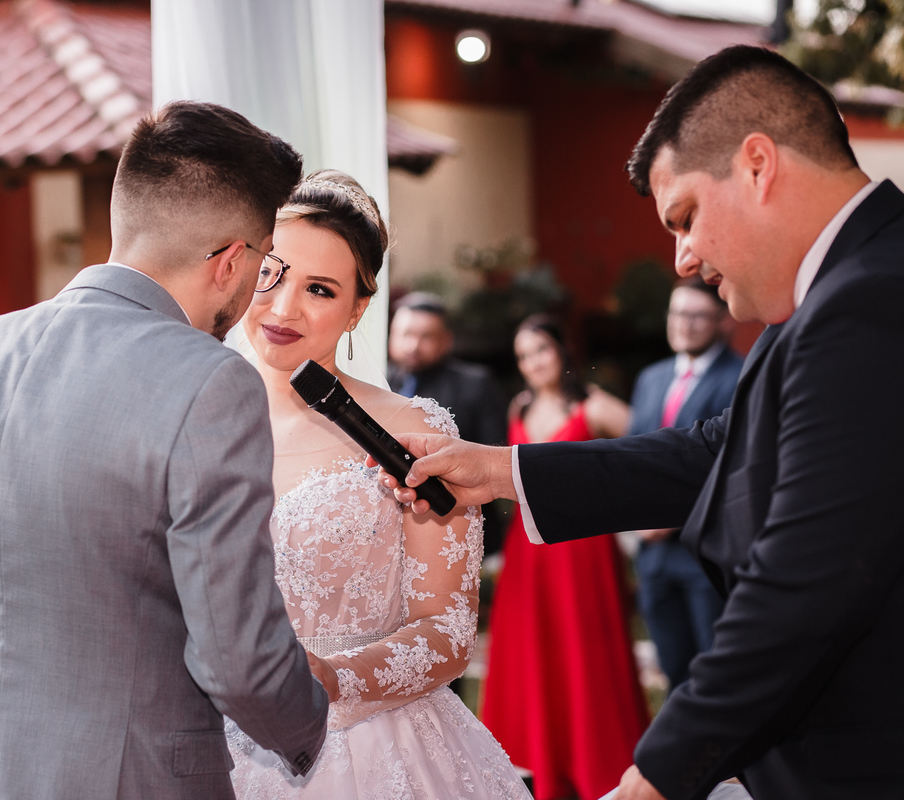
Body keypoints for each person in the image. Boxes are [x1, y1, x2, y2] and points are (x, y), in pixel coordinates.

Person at [376, 45, 904, 800]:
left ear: (758, 165)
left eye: (685, 218)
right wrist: (498, 469)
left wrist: (655, 778)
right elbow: (717, 452)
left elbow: (808, 582)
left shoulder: (871, 301)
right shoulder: (832, 299)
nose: (683, 259)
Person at [0, 101, 329, 800]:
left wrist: (14, 718)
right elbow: (237, 658)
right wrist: (313, 732)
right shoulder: (210, 380)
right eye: (266, 264)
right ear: (233, 260)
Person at [224, 170, 531, 799]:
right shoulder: (194, 418)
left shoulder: (411, 431)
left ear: (358, 309)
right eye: (271, 274)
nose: (284, 308)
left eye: (319, 289)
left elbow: (447, 633)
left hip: (370, 750)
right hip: (213, 748)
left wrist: (333, 678)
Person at [481, 313, 648, 800]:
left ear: (561, 351)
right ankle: (542, 764)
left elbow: (651, 452)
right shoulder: (519, 406)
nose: (533, 363)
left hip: (582, 550)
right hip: (529, 551)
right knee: (534, 651)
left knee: (585, 648)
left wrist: (631, 508)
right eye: (523, 356)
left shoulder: (595, 406)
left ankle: (595, 764)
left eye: (541, 350)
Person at [629, 276, 741, 689]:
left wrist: (670, 516)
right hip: (653, 558)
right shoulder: (651, 378)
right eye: (677, 313)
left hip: (706, 553)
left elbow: (735, 464)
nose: (684, 324)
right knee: (674, 671)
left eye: (696, 315)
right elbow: (633, 455)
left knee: (718, 675)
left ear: (722, 320)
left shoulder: (741, 377)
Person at [388, 292, 508, 554]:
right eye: (406, 334)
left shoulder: (475, 383)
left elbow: (494, 450)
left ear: (446, 341)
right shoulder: (378, 382)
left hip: (456, 523)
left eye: (426, 337)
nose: (413, 345)